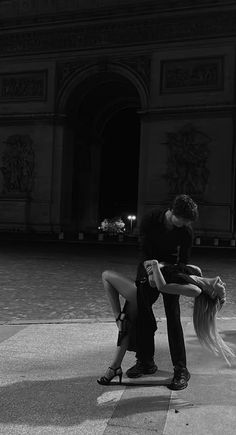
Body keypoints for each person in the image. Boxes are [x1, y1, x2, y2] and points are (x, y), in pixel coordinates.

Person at [97, 260, 234, 387]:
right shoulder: (196, 271)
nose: (224, 283)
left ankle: (118, 362)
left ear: (212, 294)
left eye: (222, 291)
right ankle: (119, 366)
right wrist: (156, 265)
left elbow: (159, 285)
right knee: (127, 321)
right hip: (144, 285)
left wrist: (155, 265)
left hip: (143, 292)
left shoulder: (195, 290)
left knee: (107, 276)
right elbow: (171, 266)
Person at [126, 194, 199, 390]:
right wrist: (150, 270)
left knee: (173, 317)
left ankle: (181, 369)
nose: (184, 224)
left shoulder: (186, 231)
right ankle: (145, 361)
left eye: (187, 221)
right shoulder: (151, 220)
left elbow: (183, 261)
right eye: (182, 219)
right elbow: (144, 250)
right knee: (141, 313)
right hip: (148, 265)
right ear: (173, 212)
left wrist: (170, 271)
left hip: (170, 272)